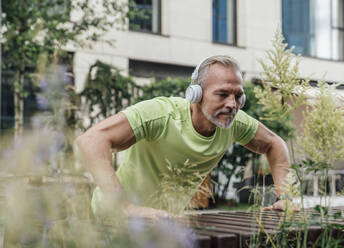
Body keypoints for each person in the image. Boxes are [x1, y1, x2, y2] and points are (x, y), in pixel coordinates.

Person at [76, 55, 291, 218]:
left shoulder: (234, 124)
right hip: (110, 220)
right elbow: (91, 140)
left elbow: (274, 144)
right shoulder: (161, 114)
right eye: (222, 94)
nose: (232, 104)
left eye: (238, 96)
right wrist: (124, 207)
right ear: (195, 94)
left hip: (162, 225)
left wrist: (286, 197)